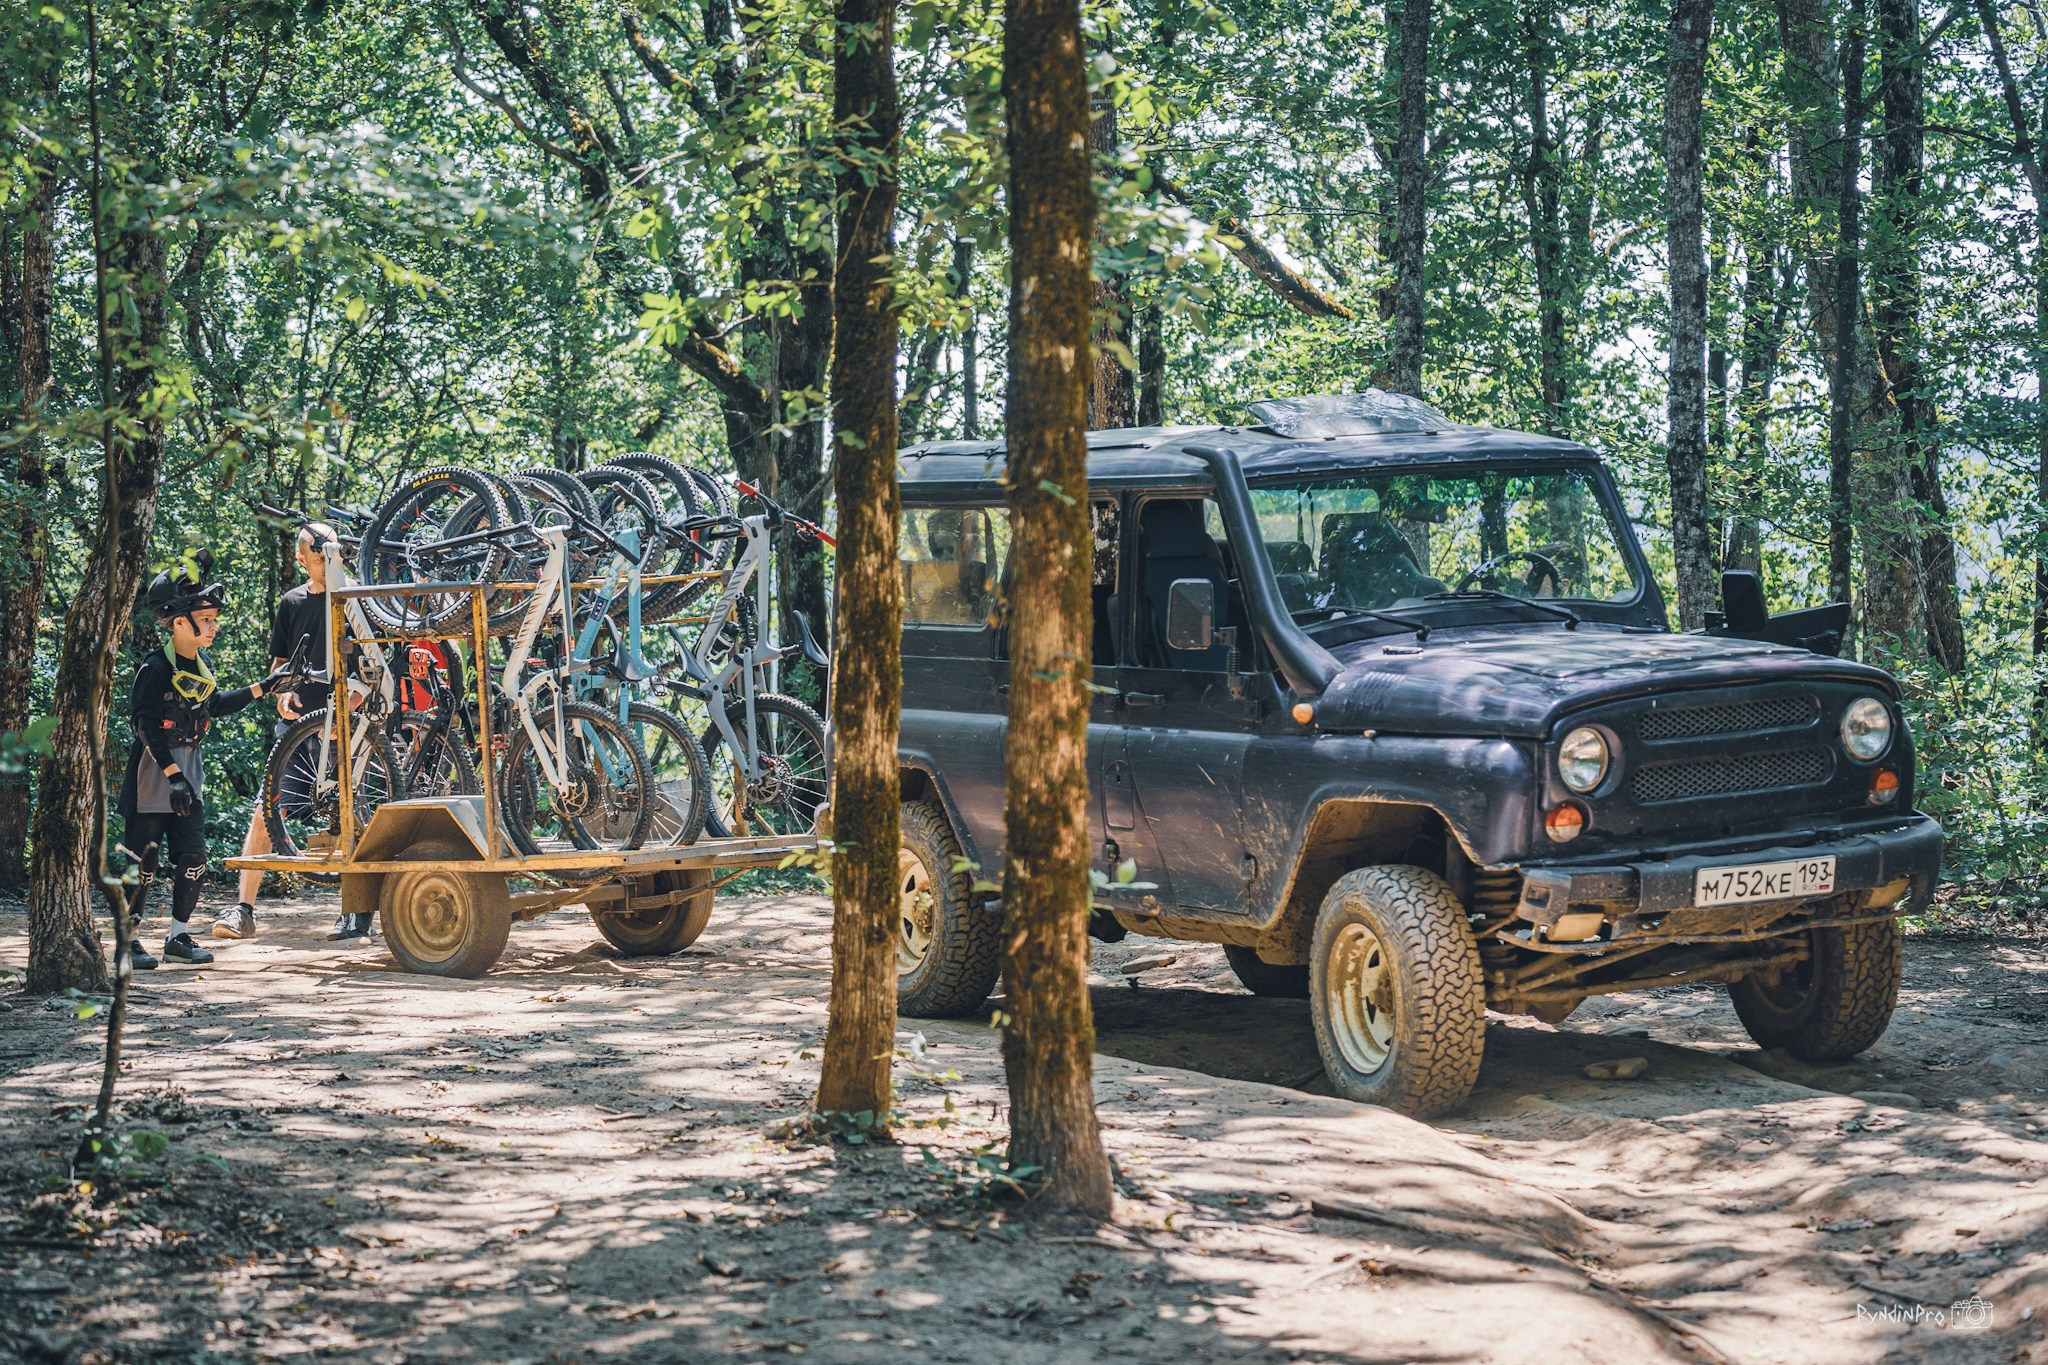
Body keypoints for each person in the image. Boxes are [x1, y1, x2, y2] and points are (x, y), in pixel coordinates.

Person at [117, 551, 298, 970]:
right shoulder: (155, 667)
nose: (214, 626)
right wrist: (173, 776)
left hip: (188, 772)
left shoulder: (201, 664)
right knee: (142, 862)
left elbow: (212, 704)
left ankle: (178, 937)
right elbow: (146, 727)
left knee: (194, 858)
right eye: (207, 618)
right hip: (153, 774)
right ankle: (128, 942)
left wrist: (264, 686)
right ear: (180, 622)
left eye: (215, 619)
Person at [218, 522, 349, 941]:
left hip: (346, 727)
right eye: (318, 550)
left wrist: (354, 701)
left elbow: (372, 661)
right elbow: (278, 665)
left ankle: (356, 912)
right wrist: (281, 693)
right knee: (265, 812)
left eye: (331, 547)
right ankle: (244, 910)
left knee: (356, 816)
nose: (326, 555)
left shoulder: (352, 598)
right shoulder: (292, 602)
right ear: (302, 558)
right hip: (297, 731)